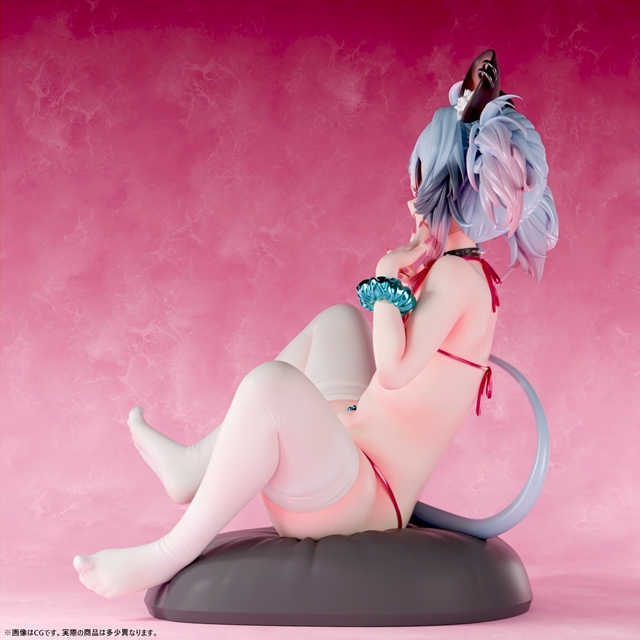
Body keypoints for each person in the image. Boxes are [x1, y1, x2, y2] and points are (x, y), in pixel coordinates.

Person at [73, 50, 558, 599]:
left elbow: (394, 371)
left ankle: (167, 552)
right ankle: (193, 467)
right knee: (338, 322)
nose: (411, 202)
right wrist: (407, 277)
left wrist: (386, 276)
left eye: (419, 185)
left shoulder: (456, 278)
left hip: (358, 499)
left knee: (269, 385)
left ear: (438, 191)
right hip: (351, 449)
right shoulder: (456, 270)